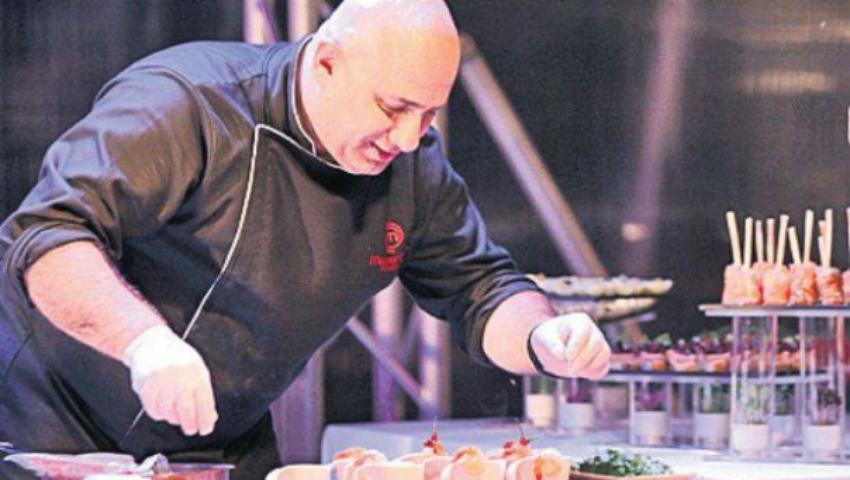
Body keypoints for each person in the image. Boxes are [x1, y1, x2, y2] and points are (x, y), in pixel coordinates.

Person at [0, 0, 610, 478]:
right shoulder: (188, 102)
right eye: (392, 107)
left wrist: (541, 338)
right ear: (326, 64)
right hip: (53, 429)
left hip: (222, 446)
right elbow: (49, 235)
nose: (408, 138)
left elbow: (479, 288)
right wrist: (145, 344)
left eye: (428, 114)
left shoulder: (414, 168)